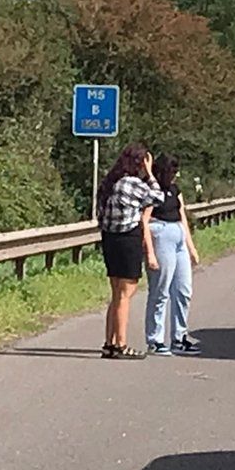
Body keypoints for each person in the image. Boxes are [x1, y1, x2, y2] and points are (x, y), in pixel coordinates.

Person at [97, 143, 164, 360]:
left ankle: (110, 342)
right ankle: (122, 345)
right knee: (126, 294)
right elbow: (158, 197)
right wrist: (151, 173)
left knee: (116, 293)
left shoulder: (109, 182)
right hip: (127, 239)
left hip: (109, 238)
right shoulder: (132, 184)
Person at [142, 155, 202, 356]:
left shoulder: (175, 190)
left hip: (178, 236)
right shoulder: (153, 189)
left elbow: (182, 215)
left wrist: (191, 247)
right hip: (160, 233)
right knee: (161, 291)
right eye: (171, 172)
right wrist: (149, 251)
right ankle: (155, 339)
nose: (174, 176)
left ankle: (179, 336)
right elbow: (144, 219)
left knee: (183, 290)